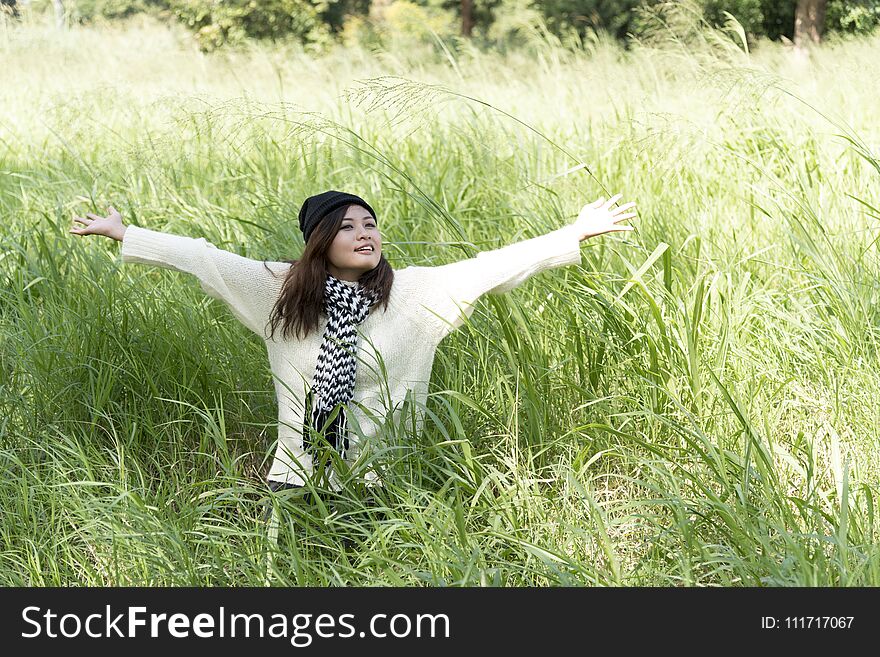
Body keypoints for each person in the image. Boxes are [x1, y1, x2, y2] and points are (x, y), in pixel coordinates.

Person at [70, 190, 635, 500]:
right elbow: (206, 258)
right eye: (347, 227)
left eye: (370, 223)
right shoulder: (279, 290)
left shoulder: (411, 294)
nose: (365, 234)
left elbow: (488, 268)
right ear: (321, 241)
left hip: (381, 480)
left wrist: (573, 232)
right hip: (296, 473)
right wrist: (127, 234)